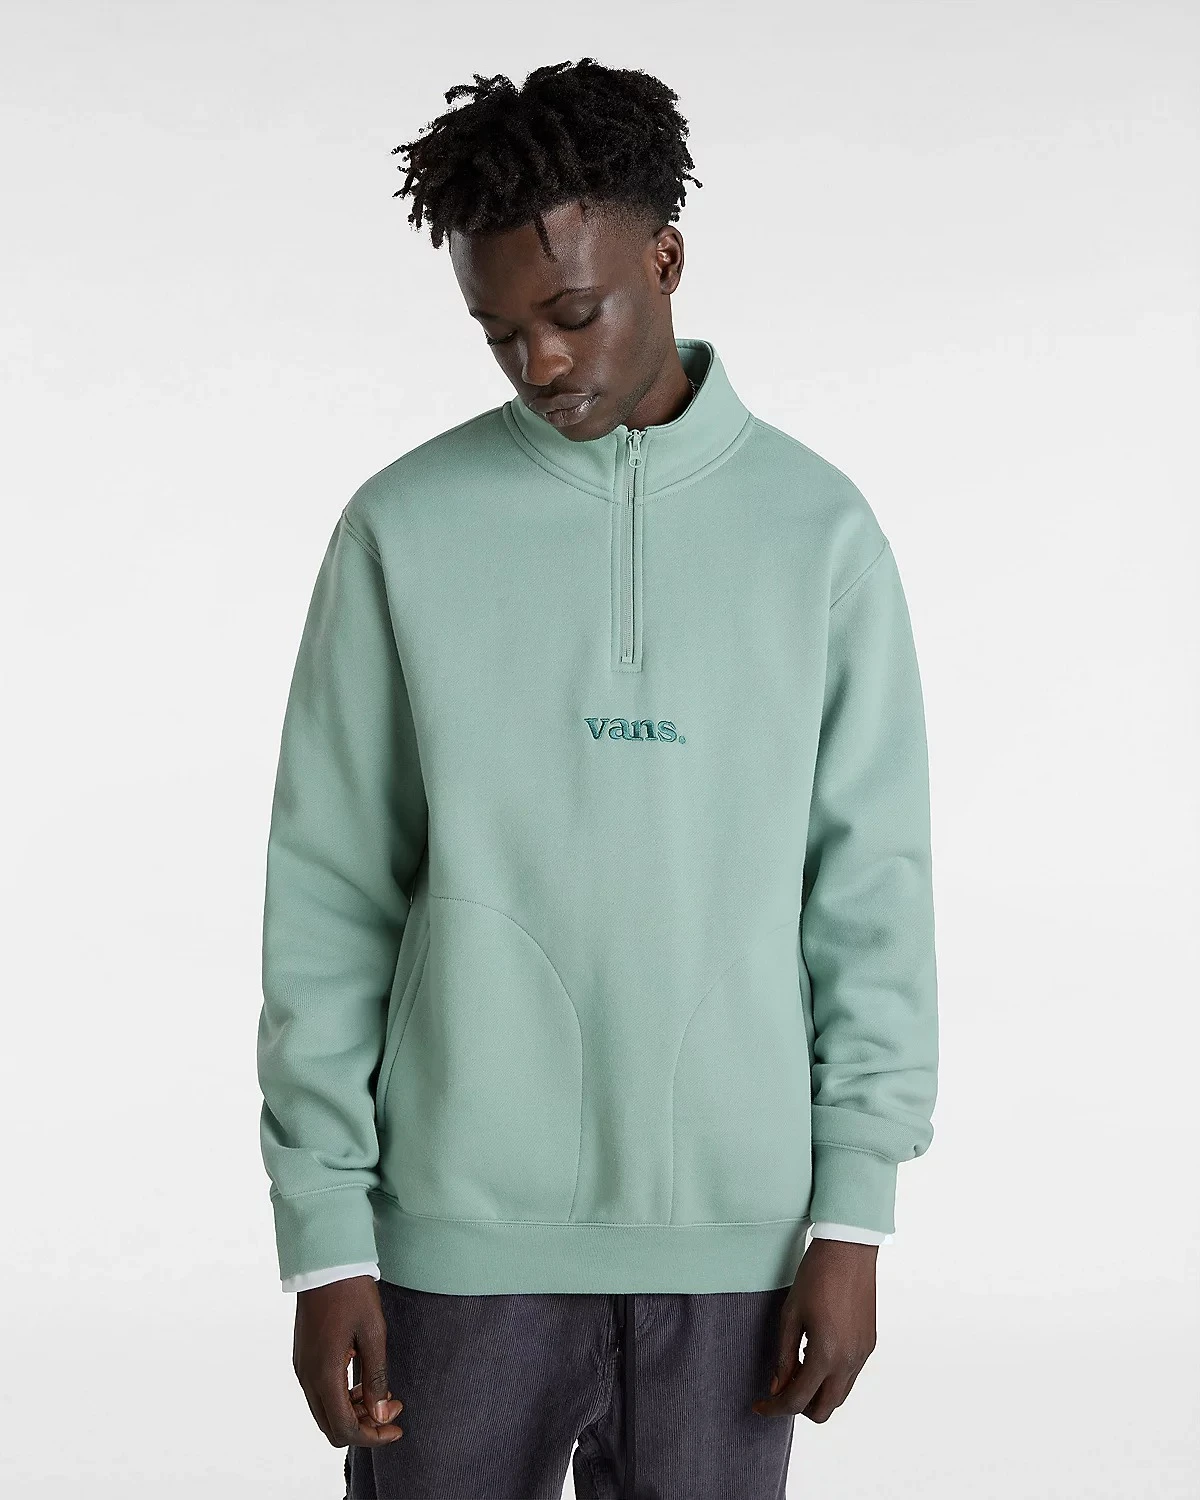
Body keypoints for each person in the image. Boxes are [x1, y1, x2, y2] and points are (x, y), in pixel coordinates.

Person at [255, 56, 939, 1500]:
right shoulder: (403, 529)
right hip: (455, 1241)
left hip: (741, 1247)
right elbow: (330, 896)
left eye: (572, 315)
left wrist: (855, 1217)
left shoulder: (820, 535)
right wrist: (325, 1237)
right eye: (499, 333)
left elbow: (870, 897)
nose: (541, 365)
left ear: (665, 259)